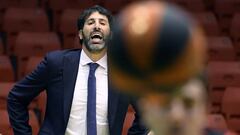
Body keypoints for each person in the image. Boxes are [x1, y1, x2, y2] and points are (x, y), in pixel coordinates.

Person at [7, 5, 149, 135]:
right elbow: (16, 98)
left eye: (102, 23)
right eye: (91, 22)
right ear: (81, 34)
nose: (97, 26)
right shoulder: (56, 63)